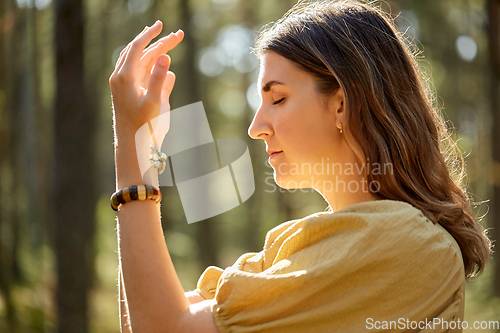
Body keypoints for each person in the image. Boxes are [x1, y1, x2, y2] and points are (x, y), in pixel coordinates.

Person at [108, 0, 492, 332]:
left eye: (277, 99)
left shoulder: (405, 241)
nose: (255, 127)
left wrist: (134, 146)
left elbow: (162, 327)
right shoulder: (296, 246)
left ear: (342, 104)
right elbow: (143, 316)